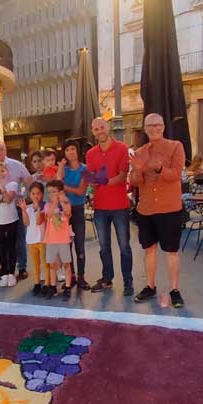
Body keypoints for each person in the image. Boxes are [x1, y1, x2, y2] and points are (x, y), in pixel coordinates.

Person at [129, 113, 186, 307]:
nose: (154, 128)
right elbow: (134, 183)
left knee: (172, 251)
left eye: (157, 125)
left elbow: (177, 175)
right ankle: (150, 286)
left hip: (169, 207)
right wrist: (137, 171)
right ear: (145, 129)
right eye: (150, 125)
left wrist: (160, 169)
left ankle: (174, 289)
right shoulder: (140, 152)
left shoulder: (175, 146)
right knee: (149, 249)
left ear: (163, 127)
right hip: (146, 209)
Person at [85, 117, 134, 296]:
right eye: (96, 129)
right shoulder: (91, 153)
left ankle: (128, 281)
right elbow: (91, 177)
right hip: (100, 207)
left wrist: (102, 181)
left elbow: (123, 176)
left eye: (102, 127)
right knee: (103, 246)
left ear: (108, 127)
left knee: (124, 246)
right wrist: (91, 180)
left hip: (120, 205)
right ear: (93, 132)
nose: (100, 131)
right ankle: (107, 278)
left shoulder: (122, 148)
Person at [0, 140, 31, 280]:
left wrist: (24, 197)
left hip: (16, 206)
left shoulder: (16, 165)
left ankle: (22, 267)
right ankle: (5, 268)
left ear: (5, 150)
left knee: (18, 238)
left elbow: (29, 181)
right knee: (2, 242)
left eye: (1, 149)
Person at [58, 140, 90, 290]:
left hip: (77, 209)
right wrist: (60, 168)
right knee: (66, 245)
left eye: (73, 149)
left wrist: (63, 187)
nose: (70, 152)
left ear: (77, 151)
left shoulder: (85, 169)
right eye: (67, 150)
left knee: (79, 245)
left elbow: (80, 191)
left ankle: (82, 276)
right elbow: (56, 183)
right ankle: (70, 276)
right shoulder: (63, 169)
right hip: (64, 211)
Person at [0, 162, 19, 287]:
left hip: (12, 219)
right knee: (2, 247)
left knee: (12, 246)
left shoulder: (13, 184)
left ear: (7, 171)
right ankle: (4, 272)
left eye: (2, 171)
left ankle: (12, 273)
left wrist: (4, 189)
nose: (0, 174)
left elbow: (8, 200)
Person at [43, 179, 73, 300]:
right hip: (51, 239)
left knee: (66, 263)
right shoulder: (47, 205)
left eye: (54, 192)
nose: (51, 195)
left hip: (63, 239)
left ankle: (67, 286)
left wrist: (61, 200)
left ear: (60, 192)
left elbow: (67, 213)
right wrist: (54, 203)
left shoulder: (66, 203)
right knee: (52, 264)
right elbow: (49, 215)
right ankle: (53, 286)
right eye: (49, 192)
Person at [19, 181, 49, 295]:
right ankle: (37, 283)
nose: (35, 196)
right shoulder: (28, 208)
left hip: (42, 239)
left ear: (42, 194)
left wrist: (38, 209)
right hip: (31, 240)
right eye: (33, 193)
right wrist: (23, 210)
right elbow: (26, 222)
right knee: (36, 264)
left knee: (45, 263)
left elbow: (39, 221)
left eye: (38, 193)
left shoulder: (45, 206)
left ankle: (47, 284)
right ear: (29, 195)